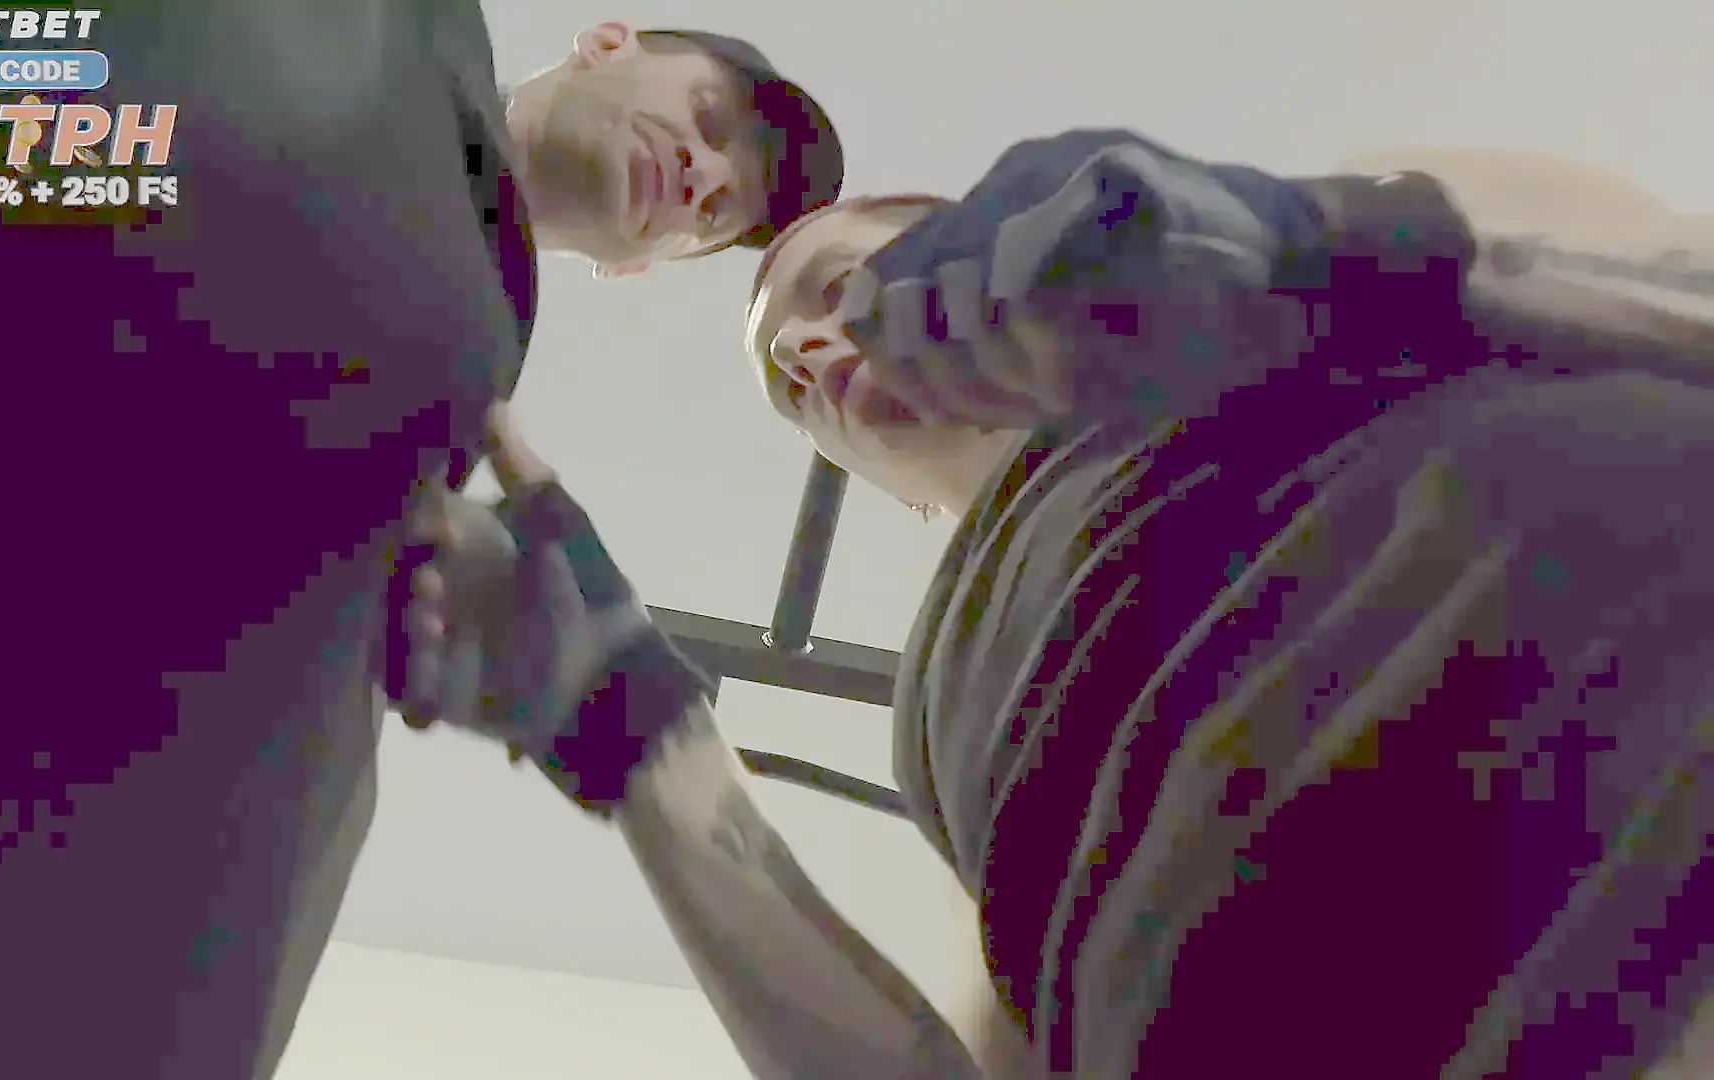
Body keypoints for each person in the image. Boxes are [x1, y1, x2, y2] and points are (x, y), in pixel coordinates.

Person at [409, 133, 1714, 1079]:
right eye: (781, 376)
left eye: (831, 288)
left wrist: (1283, 247)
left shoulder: (1296, 285)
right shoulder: (946, 712)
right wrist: (643, 746)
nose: (804, 350)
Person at [0, 3, 840, 1078]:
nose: (703, 172)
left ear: (635, 266)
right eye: (711, 119)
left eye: (716, 212)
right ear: (611, 40)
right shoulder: (376, 28)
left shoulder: (446, 417)